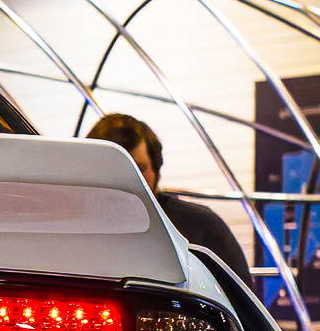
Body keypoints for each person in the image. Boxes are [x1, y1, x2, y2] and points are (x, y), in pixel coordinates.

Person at [84, 112, 254, 283]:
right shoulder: (73, 225)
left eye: (138, 169)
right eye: (111, 169)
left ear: (156, 169)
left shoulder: (201, 226)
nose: (125, 179)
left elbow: (239, 296)